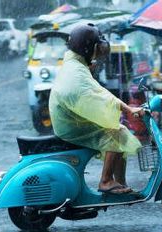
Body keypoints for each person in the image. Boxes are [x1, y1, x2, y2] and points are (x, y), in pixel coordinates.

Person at [49, 24, 144, 194]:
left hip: (70, 117)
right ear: (88, 48)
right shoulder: (76, 72)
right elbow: (101, 99)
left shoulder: (75, 63)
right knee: (115, 132)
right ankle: (106, 181)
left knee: (119, 130)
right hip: (69, 124)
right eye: (96, 47)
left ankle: (120, 183)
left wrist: (127, 108)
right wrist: (128, 110)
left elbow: (99, 92)